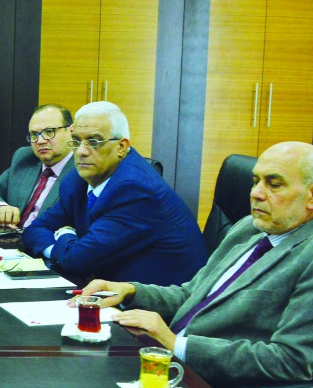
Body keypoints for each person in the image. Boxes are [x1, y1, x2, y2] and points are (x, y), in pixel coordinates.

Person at [80, 142, 313, 388]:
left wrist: (175, 343)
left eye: (274, 183)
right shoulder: (250, 228)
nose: (256, 193)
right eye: (256, 181)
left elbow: (290, 361)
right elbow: (191, 295)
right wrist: (129, 291)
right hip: (168, 367)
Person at [22, 101, 207, 284]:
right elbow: (35, 230)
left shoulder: (135, 190)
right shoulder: (76, 180)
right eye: (76, 141)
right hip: (107, 289)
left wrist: (64, 234)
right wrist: (62, 249)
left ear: (121, 147)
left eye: (93, 142)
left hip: (159, 304)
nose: (81, 151)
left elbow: (76, 260)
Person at [0, 104, 77, 228]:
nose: (40, 141)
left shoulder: (82, 170)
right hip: (8, 240)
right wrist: (0, 207)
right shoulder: (25, 158)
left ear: (71, 132)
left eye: (49, 132)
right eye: (34, 134)